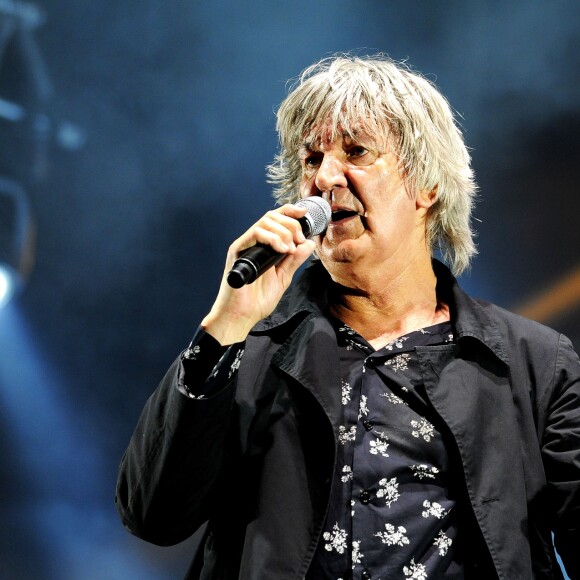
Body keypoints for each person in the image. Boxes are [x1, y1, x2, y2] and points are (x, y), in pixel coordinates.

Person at [116, 54, 580, 579]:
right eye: (311, 159)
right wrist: (224, 326)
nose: (326, 177)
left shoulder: (534, 363)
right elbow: (153, 516)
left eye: (356, 152)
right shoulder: (248, 351)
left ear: (427, 187)